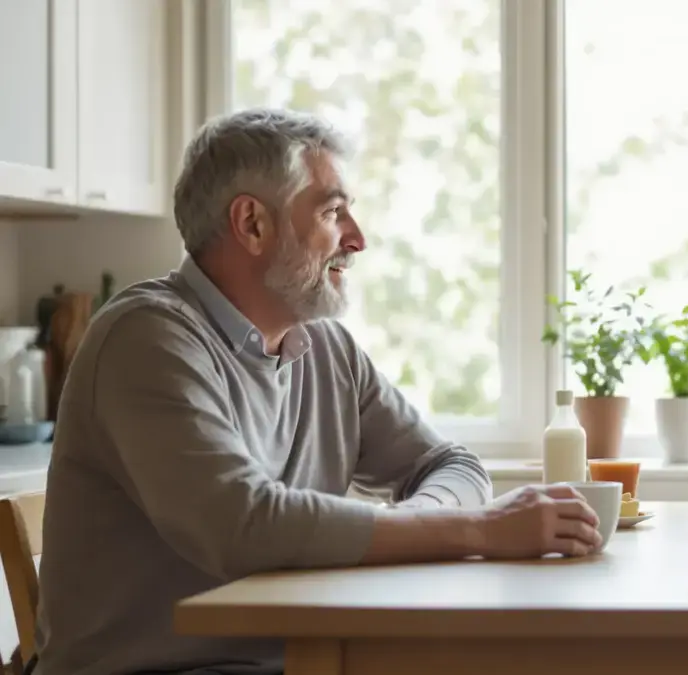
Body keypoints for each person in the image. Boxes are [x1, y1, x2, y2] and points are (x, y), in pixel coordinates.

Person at [33, 108, 602, 675]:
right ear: (252, 224)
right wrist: (478, 529)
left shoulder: (326, 347)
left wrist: (431, 522)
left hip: (306, 661)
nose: (357, 238)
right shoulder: (148, 338)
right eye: (332, 211)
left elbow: (449, 463)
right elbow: (244, 525)